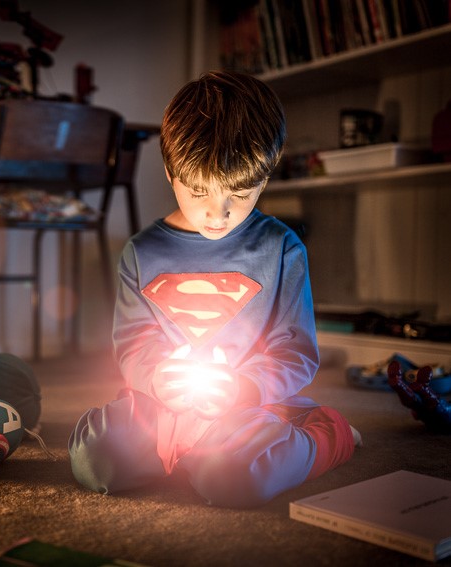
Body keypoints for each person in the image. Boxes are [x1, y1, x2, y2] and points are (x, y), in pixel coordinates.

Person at [68, 71, 360, 508]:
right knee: (96, 460)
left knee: (233, 477)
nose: (218, 214)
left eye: (240, 193)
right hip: (162, 406)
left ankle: (327, 434)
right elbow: (133, 346)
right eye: (200, 191)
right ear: (171, 172)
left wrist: (244, 388)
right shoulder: (141, 253)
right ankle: (189, 452)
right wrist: (157, 381)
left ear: (266, 175)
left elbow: (295, 353)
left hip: (248, 408)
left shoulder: (281, 250)